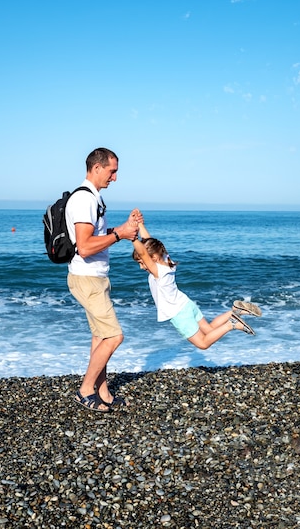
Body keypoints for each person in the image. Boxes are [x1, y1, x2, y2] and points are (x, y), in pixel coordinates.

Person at [66, 147, 140, 413]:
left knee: (100, 336)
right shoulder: (84, 199)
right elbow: (84, 246)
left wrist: (122, 229)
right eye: (112, 171)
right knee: (114, 336)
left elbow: (95, 235)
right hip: (87, 279)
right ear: (97, 168)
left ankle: (103, 391)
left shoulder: (93, 199)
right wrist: (119, 235)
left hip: (94, 277)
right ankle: (85, 390)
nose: (115, 178)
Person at [132, 219, 262, 350]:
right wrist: (140, 224)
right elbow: (148, 244)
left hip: (177, 313)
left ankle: (232, 324)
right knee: (210, 329)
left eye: (142, 263)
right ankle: (236, 311)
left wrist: (131, 237)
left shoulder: (158, 272)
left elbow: (144, 252)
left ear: (153, 258)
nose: (141, 267)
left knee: (203, 343)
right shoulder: (166, 260)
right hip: (185, 304)